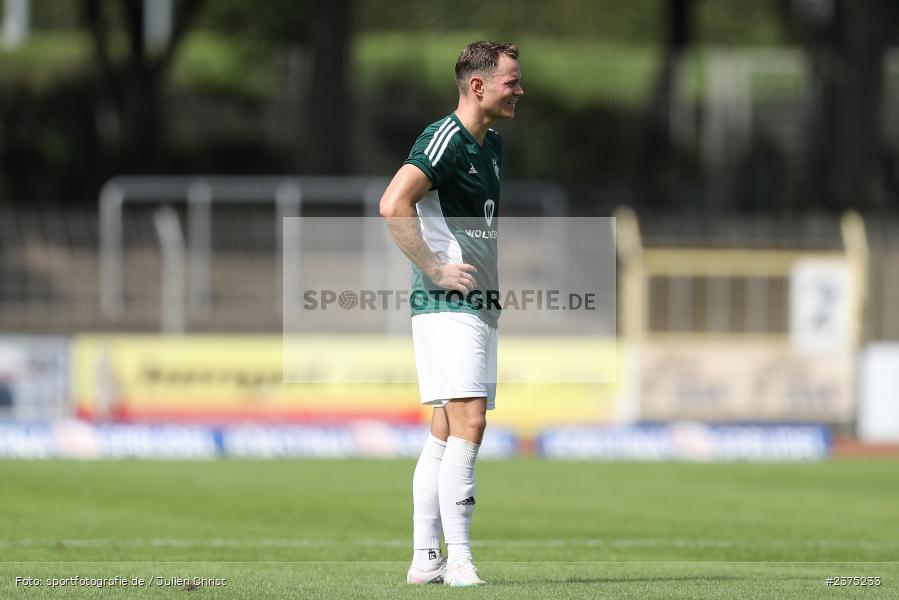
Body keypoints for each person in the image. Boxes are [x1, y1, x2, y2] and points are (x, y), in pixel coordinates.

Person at [379, 41, 523, 587]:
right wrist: (436, 268)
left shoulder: (492, 145)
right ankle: (460, 561)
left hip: (479, 304)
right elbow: (393, 203)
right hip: (447, 304)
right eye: (511, 81)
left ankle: (425, 560)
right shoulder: (444, 139)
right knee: (471, 422)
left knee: (444, 430)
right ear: (478, 86)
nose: (520, 89)